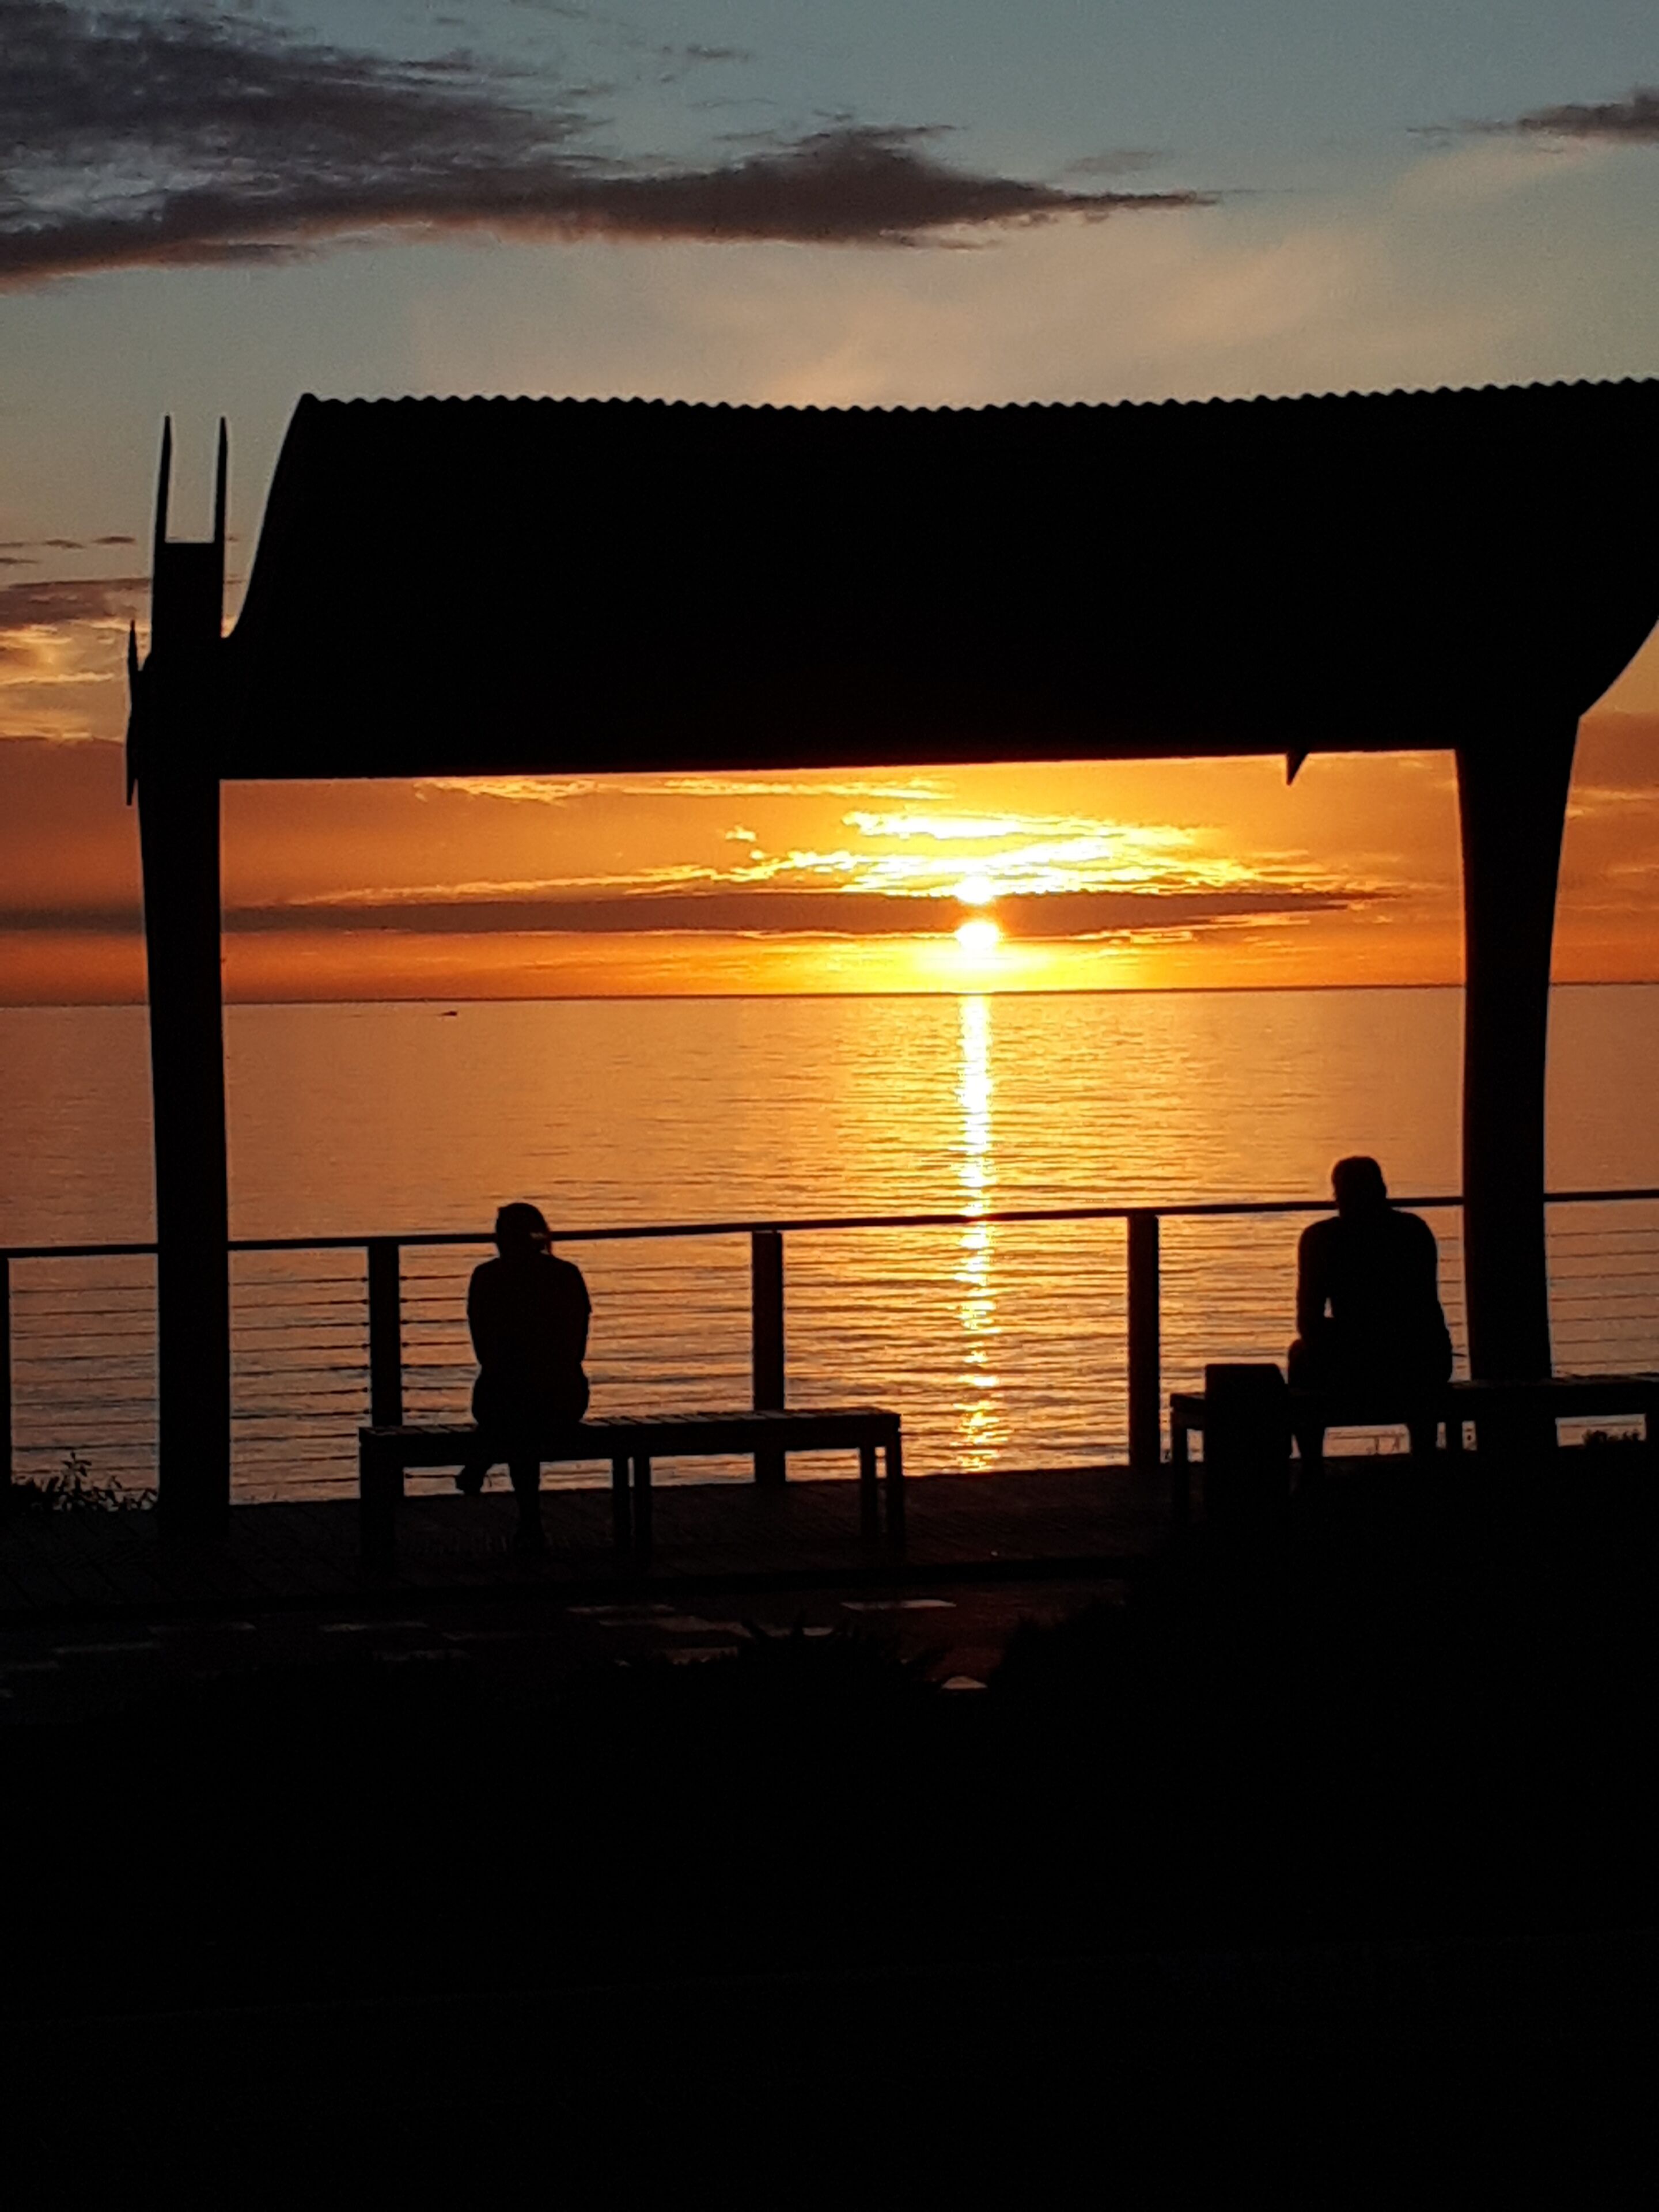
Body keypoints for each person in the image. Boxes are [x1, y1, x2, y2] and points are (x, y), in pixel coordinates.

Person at [1287, 1156, 1452, 1474]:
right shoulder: (1413, 1232)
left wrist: (1346, 1340)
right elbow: (1424, 1312)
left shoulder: (1321, 1239)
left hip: (1359, 1362)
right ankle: (1425, 1459)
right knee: (1425, 1351)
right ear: (1383, 1190)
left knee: (1300, 1357)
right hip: (1416, 1360)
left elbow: (1308, 1320)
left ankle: (1311, 1467)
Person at [458, 1202, 590, 1550]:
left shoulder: (487, 1278)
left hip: (501, 1398)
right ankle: (528, 1521)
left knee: (514, 1410)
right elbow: (576, 1347)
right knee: (524, 1413)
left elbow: (484, 1351)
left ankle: (491, 1471)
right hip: (563, 1394)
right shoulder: (565, 1275)